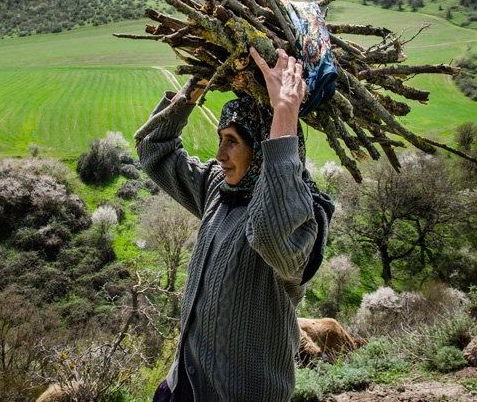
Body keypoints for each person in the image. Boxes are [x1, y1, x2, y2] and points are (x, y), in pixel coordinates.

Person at [138, 47, 334, 401]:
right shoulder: (219, 187)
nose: (220, 154)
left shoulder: (304, 219)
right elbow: (155, 150)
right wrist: (193, 90)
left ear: (261, 148)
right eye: (220, 139)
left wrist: (285, 112)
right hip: (182, 387)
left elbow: (271, 233)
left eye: (232, 141)